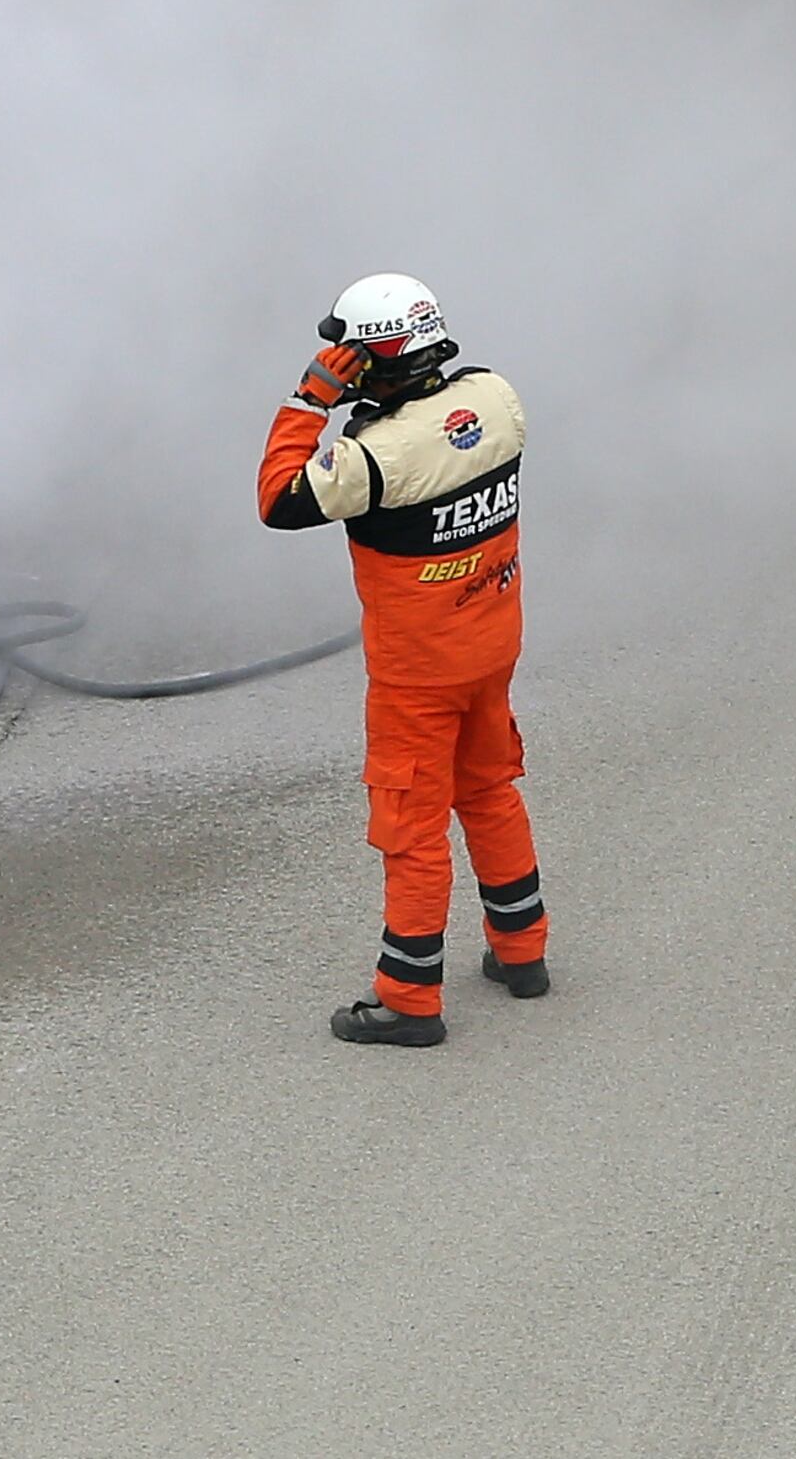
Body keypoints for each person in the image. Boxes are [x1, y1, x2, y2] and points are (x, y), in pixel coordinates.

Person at [258, 272, 547, 1047]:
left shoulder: (372, 456)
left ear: (365, 361)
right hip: (492, 646)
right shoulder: (495, 396)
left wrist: (309, 400)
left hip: (417, 677)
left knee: (410, 828)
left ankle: (410, 999)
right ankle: (523, 951)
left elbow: (278, 499)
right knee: (489, 789)